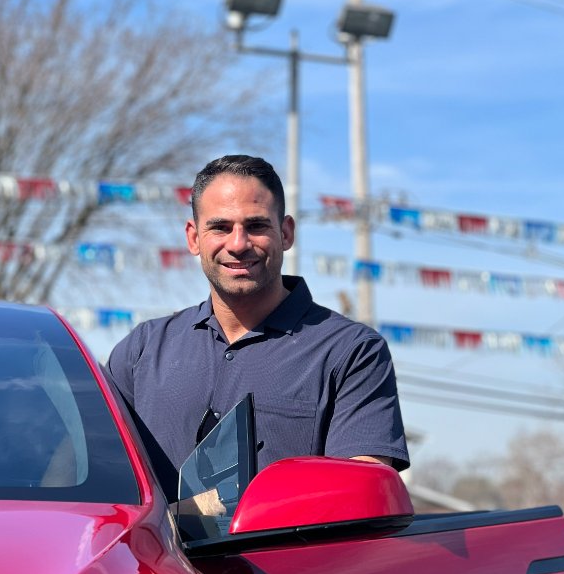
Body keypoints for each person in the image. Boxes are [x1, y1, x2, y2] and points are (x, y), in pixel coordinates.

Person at [107, 154, 409, 501]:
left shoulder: (352, 352)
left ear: (286, 233)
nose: (238, 244)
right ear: (193, 238)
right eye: (220, 227)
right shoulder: (141, 351)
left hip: (288, 541)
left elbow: (360, 499)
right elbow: (95, 474)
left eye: (256, 226)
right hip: (150, 542)